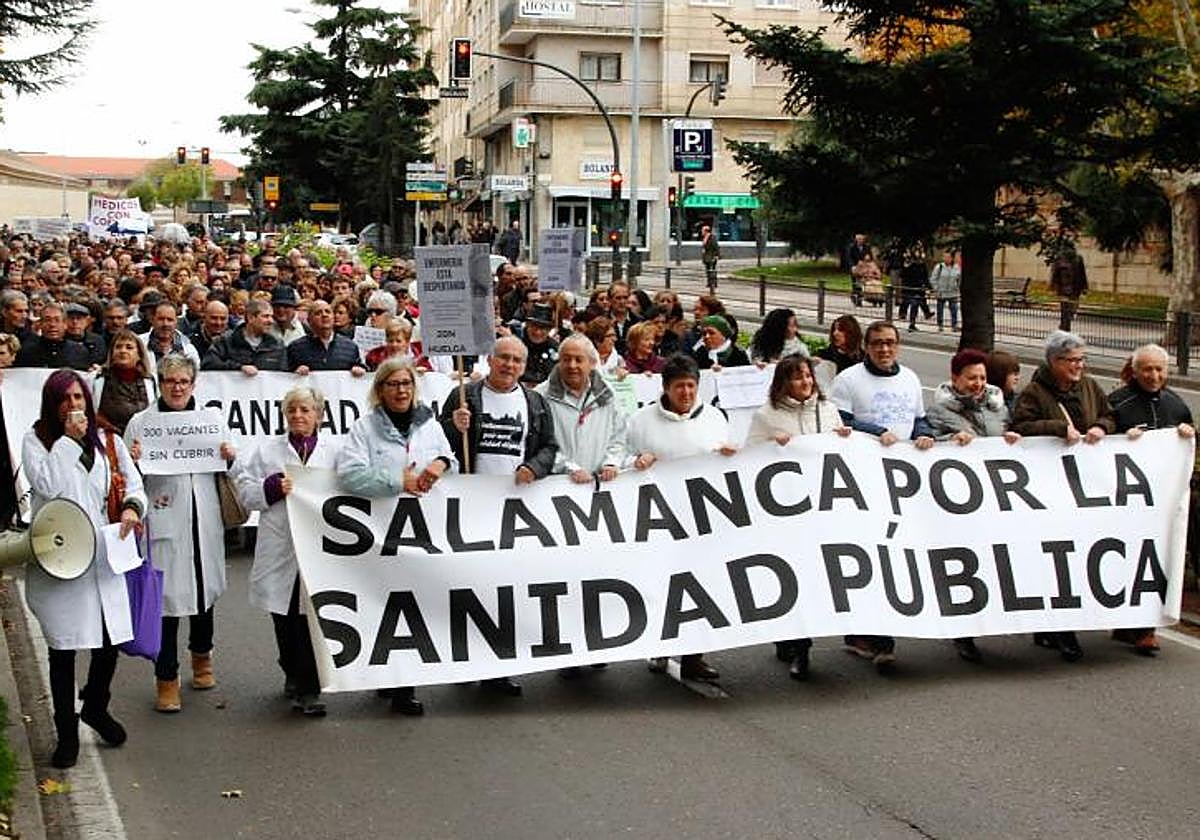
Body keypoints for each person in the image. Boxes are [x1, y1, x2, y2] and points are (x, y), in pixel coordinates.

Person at [22, 369, 145, 767]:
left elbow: (133, 482)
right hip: (61, 558)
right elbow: (50, 486)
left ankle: (95, 705)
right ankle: (67, 732)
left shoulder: (108, 440)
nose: (73, 406)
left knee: (108, 641)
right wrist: (67, 443)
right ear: (53, 404)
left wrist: (131, 507)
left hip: (102, 556)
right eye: (65, 399)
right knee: (64, 646)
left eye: (79, 398)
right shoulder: (37, 441)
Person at [441, 337, 557, 697]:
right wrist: (452, 424)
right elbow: (439, 445)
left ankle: (498, 668)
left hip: (513, 512)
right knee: (467, 588)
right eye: (503, 357)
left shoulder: (535, 402)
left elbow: (549, 447)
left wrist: (533, 468)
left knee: (504, 590)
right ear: (490, 359)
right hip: (471, 507)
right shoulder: (465, 397)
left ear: (524, 367)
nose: (509, 365)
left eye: (517, 361)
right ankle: (465, 661)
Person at [339, 360, 456, 714]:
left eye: (406, 383)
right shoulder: (364, 429)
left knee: (412, 606)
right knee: (383, 606)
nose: (401, 390)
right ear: (380, 390)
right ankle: (387, 677)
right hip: (380, 533)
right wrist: (395, 481)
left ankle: (406, 686)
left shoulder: (429, 424)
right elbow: (349, 475)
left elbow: (449, 456)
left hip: (420, 531)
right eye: (393, 384)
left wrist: (441, 465)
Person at [126, 354, 236, 712]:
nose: (177, 387)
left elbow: (236, 465)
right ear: (160, 383)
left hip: (203, 519)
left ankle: (202, 656)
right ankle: (167, 678)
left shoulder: (211, 420)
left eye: (183, 382)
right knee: (167, 604)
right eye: (170, 381)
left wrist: (230, 455)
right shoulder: (142, 423)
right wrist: (133, 457)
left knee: (204, 595)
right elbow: (126, 478)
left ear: (193, 384)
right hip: (163, 521)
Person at [830, 320, 935, 670]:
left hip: (901, 481)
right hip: (863, 482)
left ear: (898, 346)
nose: (884, 349)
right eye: (877, 344)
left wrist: (923, 435)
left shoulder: (910, 379)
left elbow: (918, 420)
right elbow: (839, 423)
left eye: (890, 343)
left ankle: (876, 633)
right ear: (867, 347)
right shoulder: (848, 380)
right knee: (868, 556)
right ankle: (873, 637)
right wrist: (876, 433)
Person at [628, 354, 736, 682]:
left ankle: (693, 657)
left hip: (703, 520)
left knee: (700, 587)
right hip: (657, 518)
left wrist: (730, 455)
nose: (686, 392)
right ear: (666, 388)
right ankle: (660, 646)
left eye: (691, 385)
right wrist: (637, 460)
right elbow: (621, 457)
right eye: (679, 387)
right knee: (662, 585)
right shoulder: (641, 421)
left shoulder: (716, 418)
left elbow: (727, 463)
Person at [235, 386, 341, 716]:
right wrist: (269, 489)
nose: (298, 415)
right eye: (292, 410)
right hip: (280, 543)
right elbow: (245, 493)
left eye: (305, 410)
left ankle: (307, 688)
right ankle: (293, 671)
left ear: (319, 416)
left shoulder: (335, 451)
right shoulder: (267, 451)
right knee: (284, 616)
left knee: (311, 617)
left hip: (320, 545)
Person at [1011, 330, 1115, 661]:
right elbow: (1020, 427)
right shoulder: (1034, 392)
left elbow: (1110, 414)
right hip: (1048, 490)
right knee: (1056, 559)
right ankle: (1060, 630)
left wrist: (1102, 427)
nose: (1079, 366)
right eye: (1072, 360)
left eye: (1082, 360)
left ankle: (1055, 627)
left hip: (1084, 489)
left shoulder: (1089, 386)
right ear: (1054, 361)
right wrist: (1057, 429)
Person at [746, 355, 849, 680]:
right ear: (783, 383)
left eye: (808, 376)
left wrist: (845, 439)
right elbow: (748, 459)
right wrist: (771, 448)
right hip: (786, 512)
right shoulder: (766, 415)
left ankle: (798, 638)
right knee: (794, 579)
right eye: (796, 377)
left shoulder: (828, 410)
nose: (805, 382)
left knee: (821, 578)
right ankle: (798, 646)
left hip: (822, 508)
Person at [924, 348, 1022, 663]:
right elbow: (926, 448)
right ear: (955, 379)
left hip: (994, 496)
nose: (978, 383)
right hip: (958, 499)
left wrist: (1012, 438)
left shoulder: (998, 405)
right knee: (965, 563)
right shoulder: (940, 409)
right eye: (971, 378)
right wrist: (948, 443)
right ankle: (962, 631)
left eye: (981, 377)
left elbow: (1006, 434)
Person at [1107, 343, 1195, 656]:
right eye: (1148, 369)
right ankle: (1127, 623)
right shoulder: (1118, 403)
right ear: (1134, 370)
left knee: (1156, 560)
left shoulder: (1176, 404)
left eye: (1160, 369)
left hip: (1162, 501)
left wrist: (1187, 434)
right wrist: (1119, 438)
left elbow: (1188, 447)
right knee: (1129, 559)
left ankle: (1145, 628)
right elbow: (1099, 442)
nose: (1154, 375)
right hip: (1125, 501)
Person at [93, 329, 155, 437]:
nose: (123, 351)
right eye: (118, 347)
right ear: (111, 353)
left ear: (139, 354)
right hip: (109, 440)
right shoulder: (98, 379)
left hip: (142, 439)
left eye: (129, 347)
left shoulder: (151, 381)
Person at [202, 299, 287, 374]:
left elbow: (284, 372)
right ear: (250, 318)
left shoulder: (277, 344)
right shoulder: (226, 341)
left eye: (271, 316)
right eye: (265, 316)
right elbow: (209, 364)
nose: (271, 321)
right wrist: (239, 368)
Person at [286, 299, 366, 376]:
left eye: (328, 312)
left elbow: (361, 368)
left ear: (333, 318)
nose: (324, 315)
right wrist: (295, 372)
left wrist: (359, 369)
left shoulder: (350, 347)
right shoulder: (296, 347)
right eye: (318, 313)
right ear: (309, 321)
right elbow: (284, 377)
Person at [13, 301, 90, 369]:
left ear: (65, 324)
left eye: (57, 320)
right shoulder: (26, 352)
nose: (52, 325)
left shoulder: (79, 351)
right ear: (40, 324)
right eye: (47, 320)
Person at [1049, 246, 1088, 331]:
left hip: (1075, 288)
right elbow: (1055, 273)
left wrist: (1084, 287)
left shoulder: (1078, 258)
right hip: (1064, 288)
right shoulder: (1060, 258)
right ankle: (1065, 326)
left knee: (1071, 309)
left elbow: (1082, 273)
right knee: (1065, 309)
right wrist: (1053, 286)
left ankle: (1066, 324)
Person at [519, 302, 559, 386]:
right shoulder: (516, 346)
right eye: (534, 326)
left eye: (543, 328)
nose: (537, 332)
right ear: (527, 325)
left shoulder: (555, 348)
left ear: (549, 329)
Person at [64, 302, 106, 367]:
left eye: (79, 318)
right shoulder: (59, 340)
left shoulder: (98, 341)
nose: (75, 322)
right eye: (71, 318)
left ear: (87, 321)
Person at [929, 250, 961, 332]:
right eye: (944, 257)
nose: (946, 259)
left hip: (952, 292)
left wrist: (957, 287)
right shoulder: (939, 267)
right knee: (940, 309)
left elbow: (959, 279)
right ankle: (940, 324)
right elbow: (933, 279)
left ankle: (954, 325)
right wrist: (936, 289)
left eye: (948, 257)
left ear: (952, 258)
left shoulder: (956, 267)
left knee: (954, 309)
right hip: (941, 292)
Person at [898, 255, 932, 332]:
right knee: (914, 304)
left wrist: (929, 287)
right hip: (910, 289)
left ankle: (912, 323)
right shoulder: (909, 266)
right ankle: (910, 322)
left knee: (915, 305)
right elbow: (903, 276)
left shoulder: (923, 266)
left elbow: (925, 278)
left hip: (919, 290)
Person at [985, 350, 1021, 414]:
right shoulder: (985, 402)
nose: (1017, 378)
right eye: (1014, 374)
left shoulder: (1018, 401)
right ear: (999, 374)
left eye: (1017, 374)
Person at [845, 234, 870, 306]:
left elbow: (870, 256)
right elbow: (849, 258)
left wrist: (868, 259)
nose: (860, 241)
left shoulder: (867, 247)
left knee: (863, 283)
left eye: (862, 239)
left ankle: (860, 296)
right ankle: (857, 298)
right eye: (859, 239)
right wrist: (852, 266)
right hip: (855, 267)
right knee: (856, 283)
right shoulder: (852, 247)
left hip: (864, 267)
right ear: (856, 240)